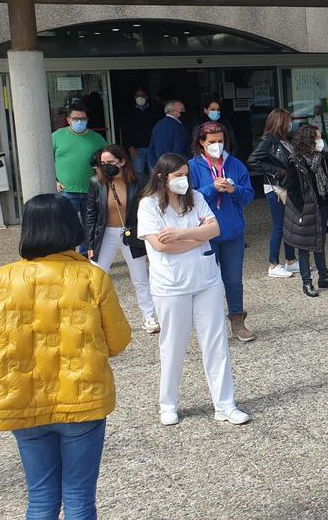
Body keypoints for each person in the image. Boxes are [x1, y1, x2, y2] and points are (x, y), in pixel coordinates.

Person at [0, 193, 131, 520]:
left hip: (23, 402)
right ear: (70, 228)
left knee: (41, 498)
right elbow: (118, 341)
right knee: (79, 498)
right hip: (82, 401)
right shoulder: (92, 277)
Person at [136, 154, 250, 426]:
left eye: (185, 174)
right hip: (171, 285)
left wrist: (179, 234)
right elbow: (161, 246)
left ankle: (225, 404)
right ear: (163, 177)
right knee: (173, 345)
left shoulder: (196, 197)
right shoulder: (148, 205)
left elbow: (214, 229)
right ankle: (168, 404)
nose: (183, 181)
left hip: (206, 280)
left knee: (216, 343)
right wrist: (194, 237)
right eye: (178, 176)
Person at [188, 121, 257, 342]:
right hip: (205, 234)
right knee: (208, 281)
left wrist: (233, 189)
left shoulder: (235, 165)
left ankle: (238, 321)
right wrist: (211, 189)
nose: (217, 145)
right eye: (212, 142)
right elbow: (187, 198)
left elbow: (248, 197)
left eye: (220, 141)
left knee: (234, 279)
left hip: (233, 232)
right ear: (202, 143)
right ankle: (210, 325)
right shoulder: (192, 167)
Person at [85, 145, 158, 334]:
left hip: (131, 233)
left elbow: (149, 208)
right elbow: (90, 214)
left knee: (140, 278)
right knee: (97, 279)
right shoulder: (96, 182)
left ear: (122, 161)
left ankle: (149, 317)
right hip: (105, 234)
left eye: (110, 162)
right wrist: (90, 243)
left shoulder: (139, 180)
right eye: (102, 163)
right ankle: (93, 319)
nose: (106, 166)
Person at [284, 124, 328, 297]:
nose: (320, 141)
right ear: (308, 140)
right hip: (306, 208)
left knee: (320, 243)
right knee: (304, 247)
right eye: (317, 138)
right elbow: (292, 188)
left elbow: (327, 180)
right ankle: (307, 282)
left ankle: (323, 277)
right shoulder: (296, 161)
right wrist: (302, 209)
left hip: (322, 204)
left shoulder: (321, 157)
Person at [247, 108, 300, 278]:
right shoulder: (269, 141)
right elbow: (253, 161)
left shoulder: (286, 140)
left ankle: (290, 260)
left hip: (286, 186)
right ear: (281, 123)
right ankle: (273, 264)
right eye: (288, 121)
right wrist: (277, 171)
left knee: (288, 225)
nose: (291, 124)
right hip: (275, 187)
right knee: (279, 226)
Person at [52, 103, 108, 254]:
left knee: (90, 226)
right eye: (76, 118)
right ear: (68, 120)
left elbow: (106, 161)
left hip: (91, 190)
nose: (79, 122)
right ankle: (68, 254)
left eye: (83, 119)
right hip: (66, 191)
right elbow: (46, 160)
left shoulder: (97, 139)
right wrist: (54, 181)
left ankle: (85, 254)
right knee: (66, 225)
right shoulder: (57, 136)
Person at [122, 87, 160, 175]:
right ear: (134, 97)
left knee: (155, 173)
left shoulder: (154, 111)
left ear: (146, 97)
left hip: (152, 148)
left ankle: (153, 189)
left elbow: (158, 129)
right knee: (137, 173)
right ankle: (139, 189)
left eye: (142, 95)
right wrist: (130, 147)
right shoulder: (129, 112)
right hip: (136, 149)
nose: (140, 98)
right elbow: (125, 130)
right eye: (138, 96)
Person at [147, 100, 189, 167]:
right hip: (175, 166)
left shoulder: (158, 124)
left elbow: (151, 148)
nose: (184, 111)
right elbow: (178, 150)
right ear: (172, 111)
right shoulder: (178, 127)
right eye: (182, 109)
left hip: (160, 165)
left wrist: (155, 165)